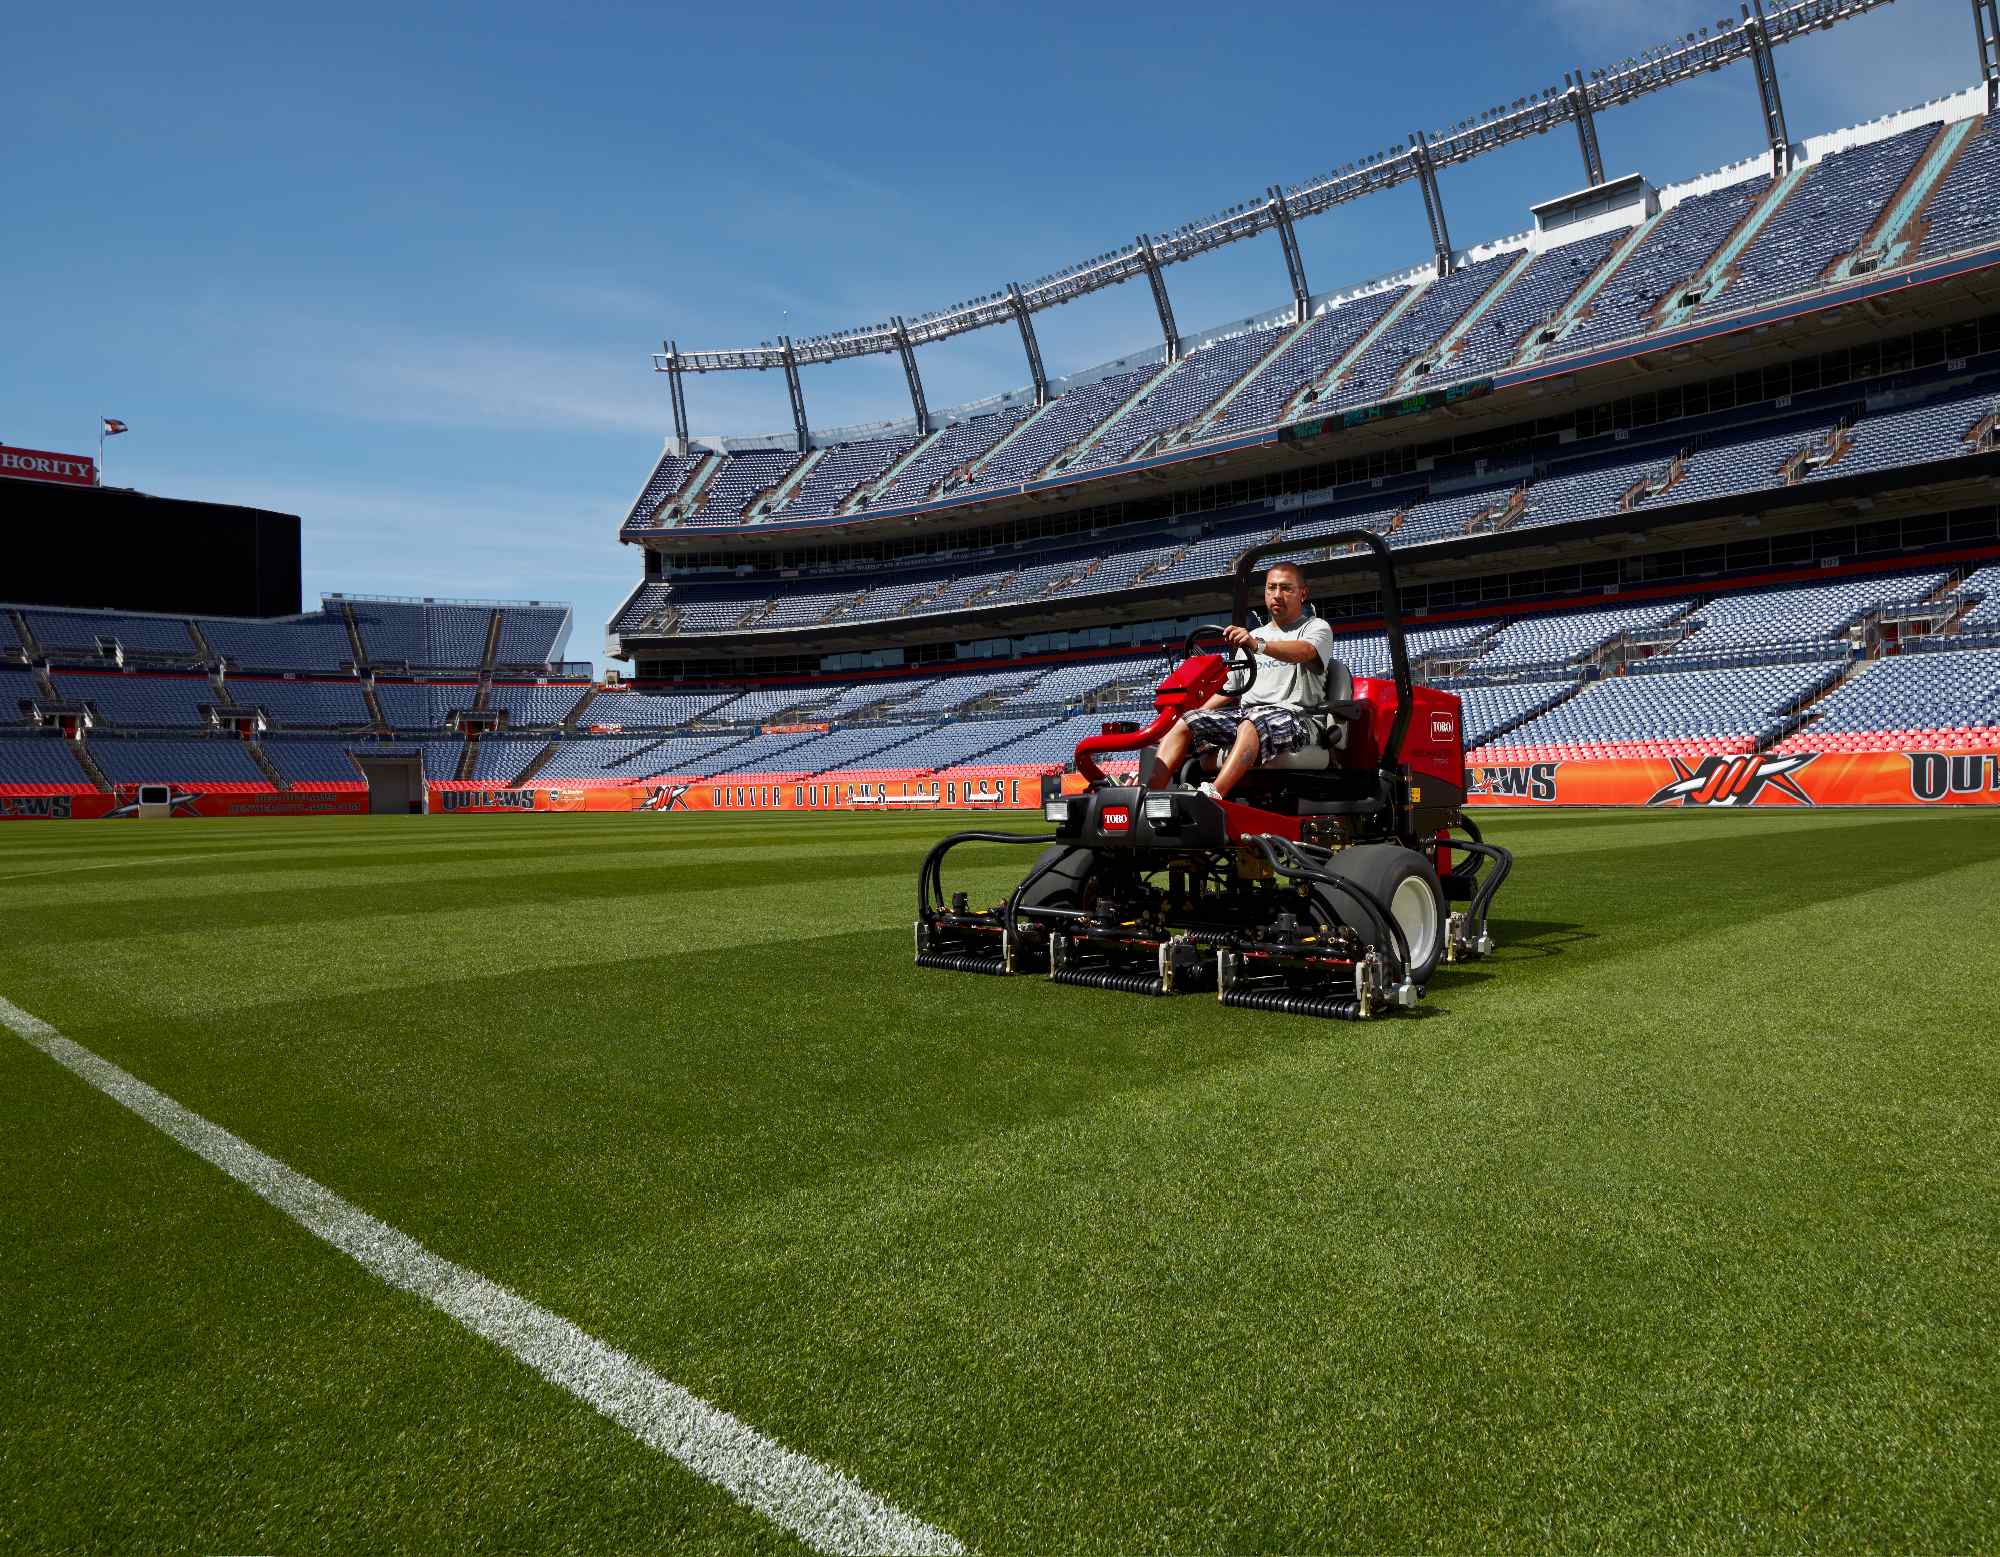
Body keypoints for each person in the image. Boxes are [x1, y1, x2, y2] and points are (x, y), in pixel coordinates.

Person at [1147, 562, 1338, 800]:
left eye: (1286, 588)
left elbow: (1305, 651)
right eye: (1272, 588)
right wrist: (1192, 715)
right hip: (1248, 717)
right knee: (1187, 722)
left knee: (1251, 722)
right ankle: (1149, 795)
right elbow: (1230, 690)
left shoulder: (1315, 628)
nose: (1277, 595)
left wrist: (1258, 646)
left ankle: (1212, 795)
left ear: (1303, 593)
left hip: (1297, 718)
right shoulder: (1253, 636)